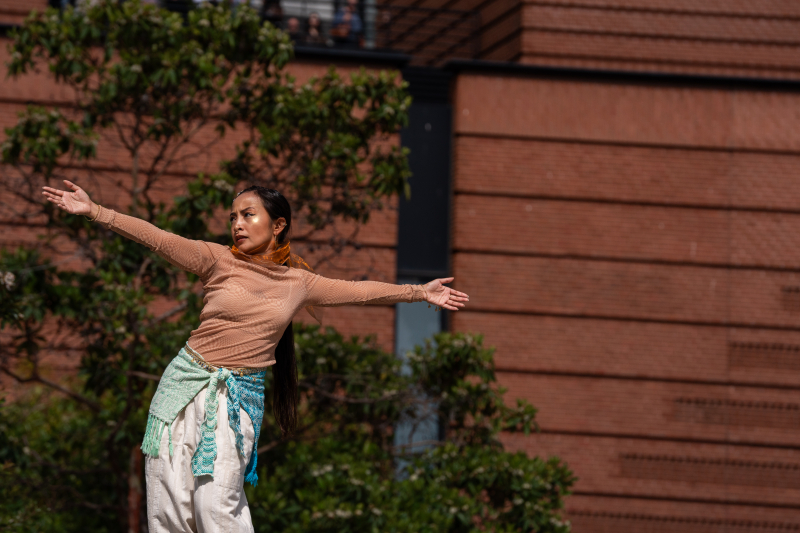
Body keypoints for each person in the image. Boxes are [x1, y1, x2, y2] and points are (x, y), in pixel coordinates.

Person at [42, 181, 468, 532]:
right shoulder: (216, 260)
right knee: (167, 504)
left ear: (278, 224)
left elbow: (359, 290)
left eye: (248, 215)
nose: (237, 225)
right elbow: (159, 238)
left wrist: (419, 292)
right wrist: (95, 210)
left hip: (236, 398)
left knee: (217, 506)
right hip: (181, 387)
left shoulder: (299, 283)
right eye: (233, 217)